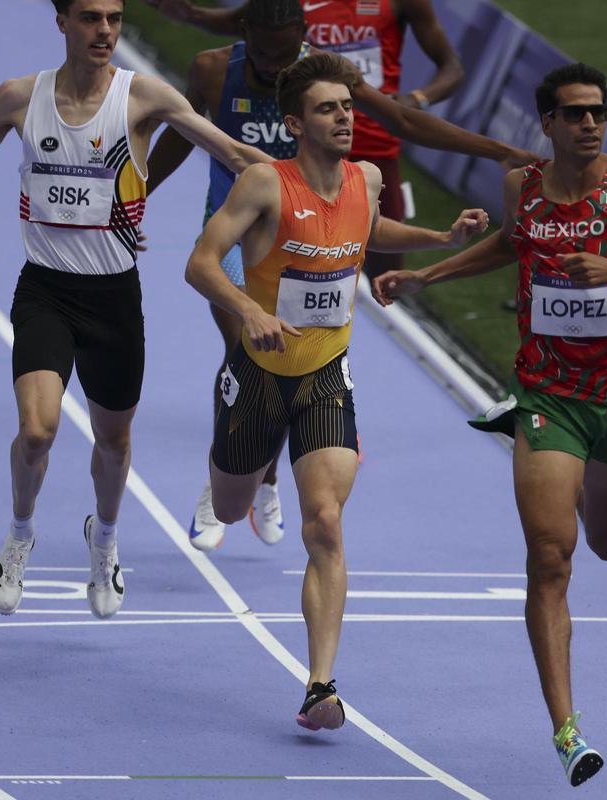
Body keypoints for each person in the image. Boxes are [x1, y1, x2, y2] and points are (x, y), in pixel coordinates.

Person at [0, 0, 270, 620]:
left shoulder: (143, 96)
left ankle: (103, 541)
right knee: (37, 432)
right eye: (91, 18)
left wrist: (314, 189)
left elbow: (232, 154)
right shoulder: (19, 98)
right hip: (45, 290)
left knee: (115, 443)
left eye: (115, 19)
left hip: (115, 299)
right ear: (62, 23)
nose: (105, 31)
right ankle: (19, 535)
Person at [373, 63, 607, 785]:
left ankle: (579, 474)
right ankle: (567, 732)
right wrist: (422, 276)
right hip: (548, 393)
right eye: (575, 114)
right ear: (548, 125)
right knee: (552, 558)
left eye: (599, 113)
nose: (590, 124)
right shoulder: (520, 188)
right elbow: (508, 246)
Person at [146, 0, 532, 552]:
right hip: (244, 227)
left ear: (304, 35)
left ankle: (266, 477)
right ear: (244, 33)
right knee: (243, 343)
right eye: (264, 54)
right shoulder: (212, 69)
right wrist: (135, 201)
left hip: (315, 232)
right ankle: (235, 472)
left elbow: (402, 121)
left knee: (303, 356)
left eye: (288, 54)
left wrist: (499, 151)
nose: (278, 68)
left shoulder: (327, 77)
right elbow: (184, 136)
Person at [186, 52, 488, 730]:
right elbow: (200, 263)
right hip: (258, 374)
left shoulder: (368, 178)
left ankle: (319, 685)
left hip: (325, 375)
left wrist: (440, 237)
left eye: (348, 107)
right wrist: (249, 311)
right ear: (294, 123)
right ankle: (233, 482)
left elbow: (367, 230)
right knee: (232, 509)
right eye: (328, 109)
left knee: (324, 522)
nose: (346, 117)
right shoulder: (264, 184)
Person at [145, 0, 464, 282]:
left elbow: (413, 109)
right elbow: (242, 24)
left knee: (381, 270)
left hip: (369, 147)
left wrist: (417, 99)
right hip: (289, 169)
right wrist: (191, 14)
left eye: (281, 55)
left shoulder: (341, 66)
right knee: (251, 328)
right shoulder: (240, 57)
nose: (271, 63)